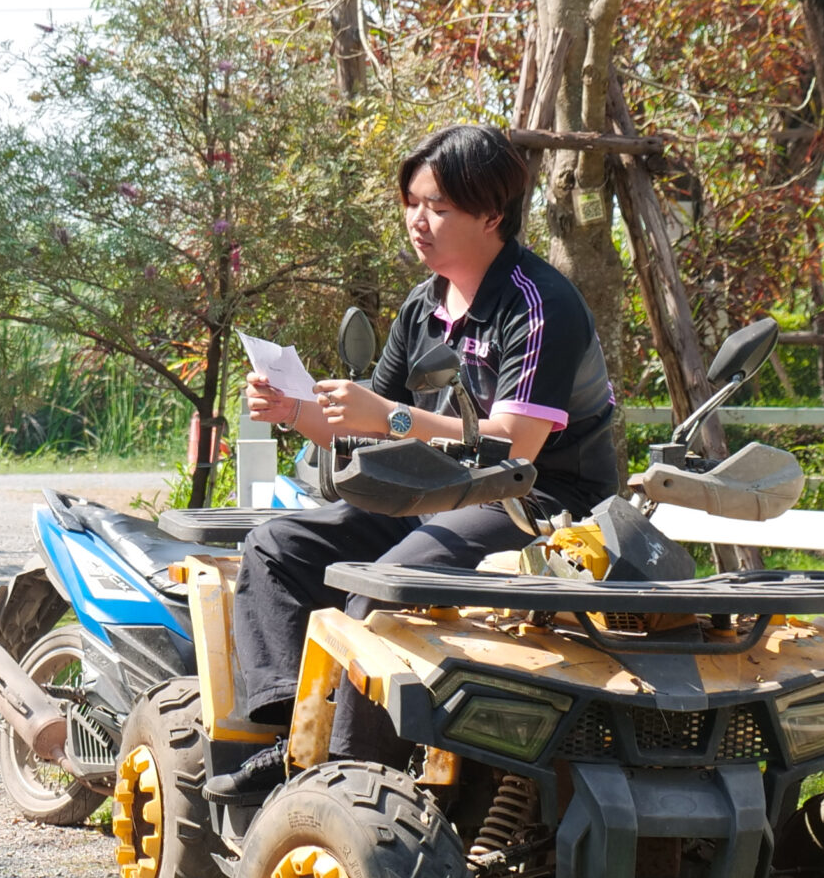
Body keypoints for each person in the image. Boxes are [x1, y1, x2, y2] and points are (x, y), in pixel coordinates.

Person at [204, 123, 622, 804]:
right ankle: (293, 741)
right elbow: (367, 433)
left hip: (540, 507)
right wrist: (294, 410)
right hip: (435, 496)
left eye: (438, 207)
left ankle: (354, 780)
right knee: (278, 549)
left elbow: (515, 449)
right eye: (411, 203)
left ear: (492, 215)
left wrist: (391, 416)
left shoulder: (539, 303)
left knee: (385, 585)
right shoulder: (422, 306)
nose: (417, 221)